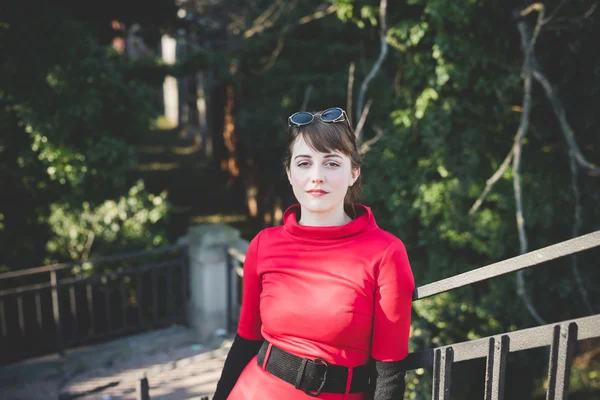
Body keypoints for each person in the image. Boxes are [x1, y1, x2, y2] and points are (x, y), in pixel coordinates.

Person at [213, 107, 415, 400]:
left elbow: (390, 374)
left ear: (353, 174)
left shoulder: (385, 252)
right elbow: (246, 340)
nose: (316, 176)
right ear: (289, 173)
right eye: (304, 163)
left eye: (332, 163)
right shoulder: (263, 244)